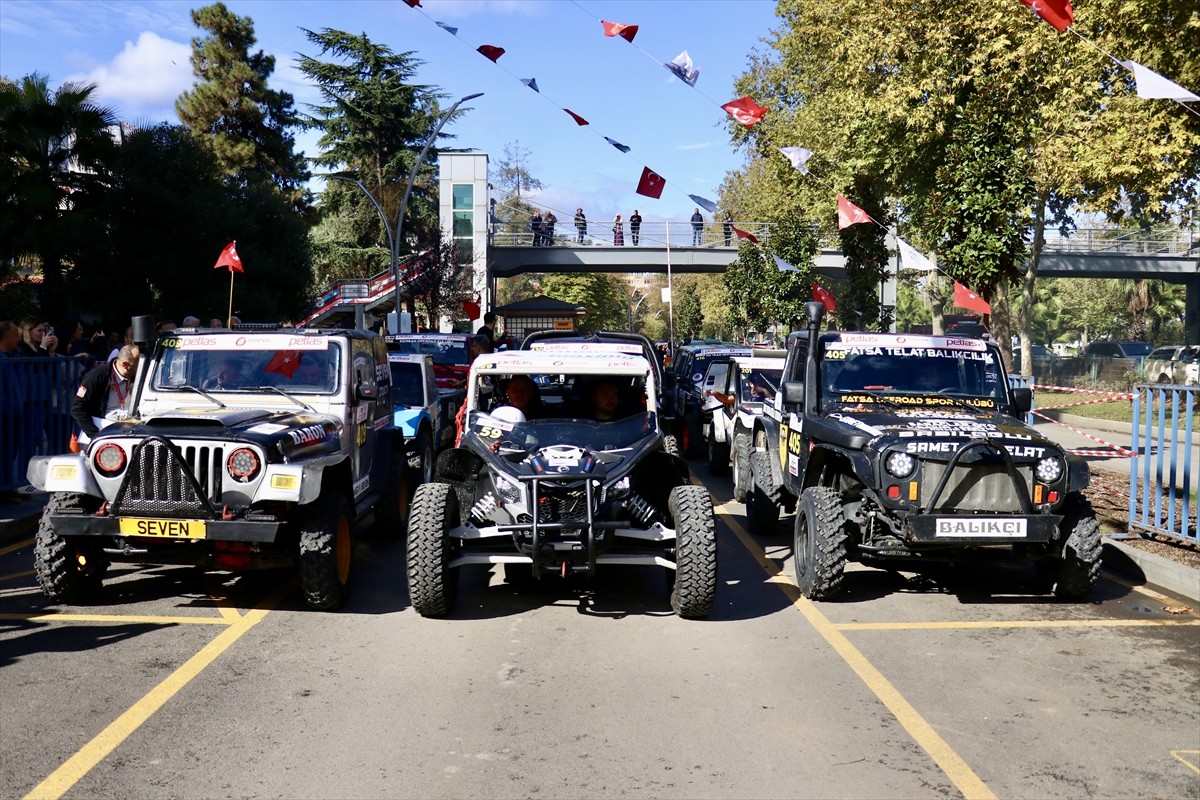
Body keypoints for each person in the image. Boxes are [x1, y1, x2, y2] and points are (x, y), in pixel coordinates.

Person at [72, 345, 139, 447]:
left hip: (127, 433)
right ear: (125, 365)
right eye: (137, 364)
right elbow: (77, 408)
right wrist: (96, 435)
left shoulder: (138, 376)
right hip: (102, 435)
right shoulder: (98, 375)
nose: (141, 366)